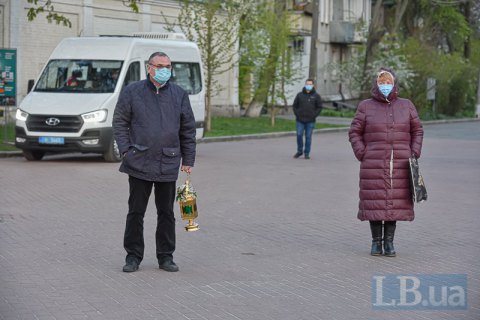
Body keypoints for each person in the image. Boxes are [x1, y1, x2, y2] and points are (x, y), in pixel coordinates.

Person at [113, 52, 196, 273]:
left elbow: (188, 129)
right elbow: (120, 122)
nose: (165, 69)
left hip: (168, 162)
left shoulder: (178, 94)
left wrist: (188, 159)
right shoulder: (133, 92)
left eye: (168, 66)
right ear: (149, 68)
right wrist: (126, 151)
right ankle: (133, 256)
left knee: (166, 213)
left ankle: (166, 256)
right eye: (160, 66)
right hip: (138, 162)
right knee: (136, 212)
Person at [348, 68, 423, 257]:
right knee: (375, 202)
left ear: (394, 84)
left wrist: (414, 152)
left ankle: (389, 243)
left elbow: (417, 130)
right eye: (382, 83)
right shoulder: (366, 106)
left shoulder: (406, 106)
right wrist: (362, 152)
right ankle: (376, 243)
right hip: (373, 162)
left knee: (394, 202)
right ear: (376, 84)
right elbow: (354, 132)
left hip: (399, 163)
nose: (385, 86)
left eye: (388, 82)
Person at [292, 78, 323, 159]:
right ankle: (299, 151)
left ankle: (306, 153)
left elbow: (319, 107)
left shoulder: (316, 96)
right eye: (307, 84)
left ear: (312, 85)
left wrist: (314, 115)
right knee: (299, 135)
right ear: (305, 85)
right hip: (300, 120)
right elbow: (294, 105)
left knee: (308, 137)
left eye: (310, 84)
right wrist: (297, 114)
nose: (308, 86)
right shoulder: (300, 95)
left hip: (310, 121)